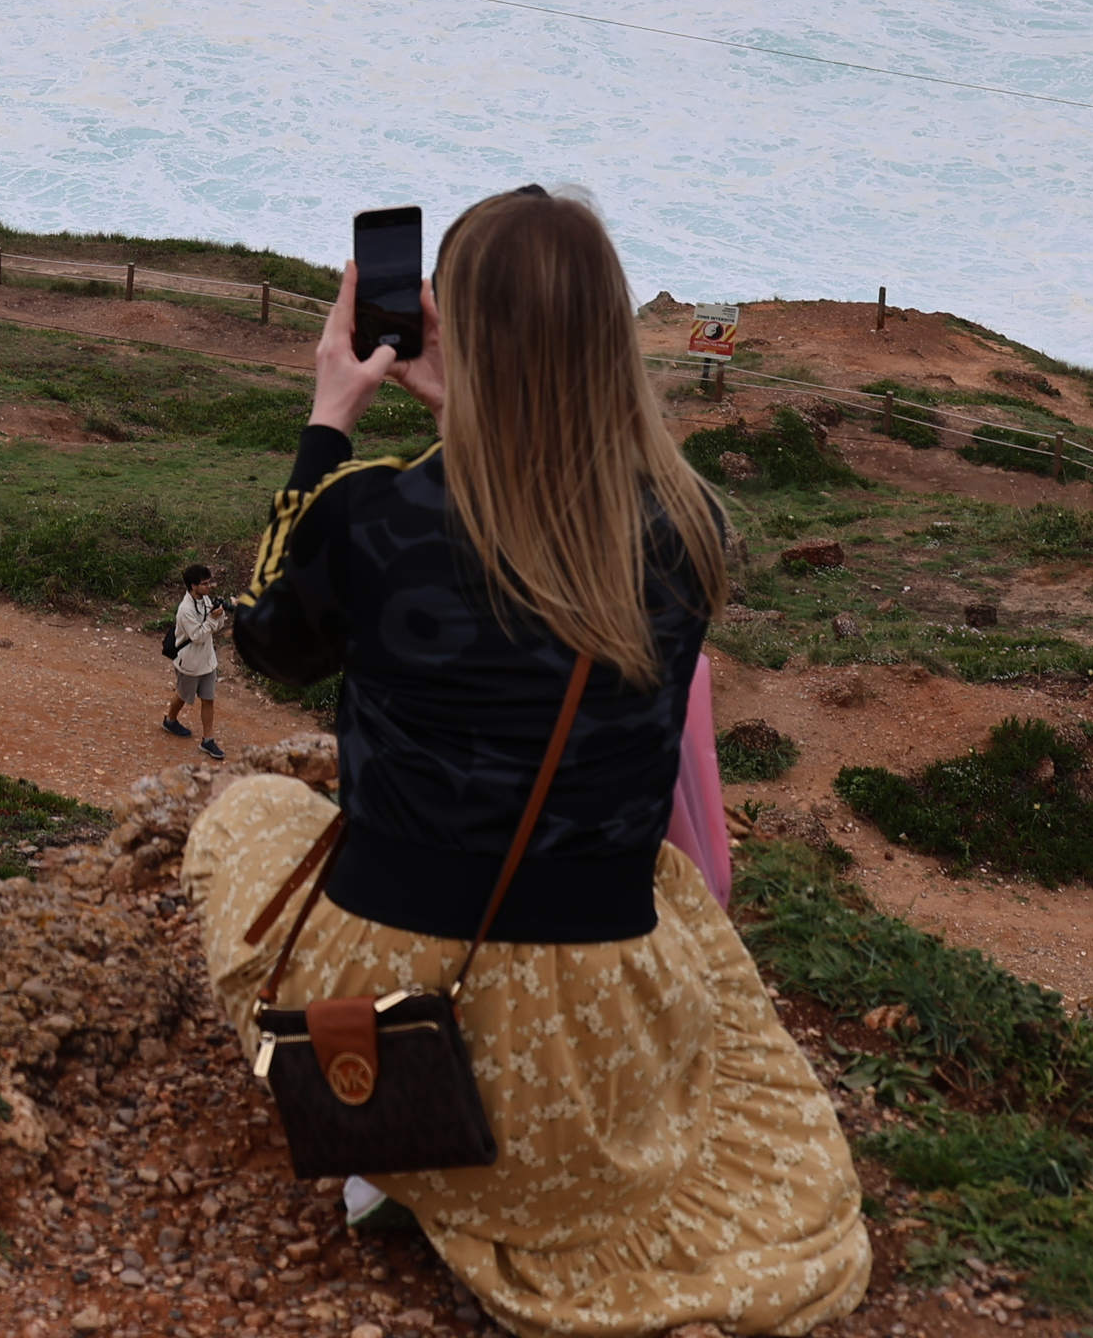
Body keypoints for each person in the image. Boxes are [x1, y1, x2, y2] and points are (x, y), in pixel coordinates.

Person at [181, 188, 869, 1337]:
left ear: (455, 329)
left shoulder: (373, 518)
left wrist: (328, 418)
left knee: (247, 814)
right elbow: (544, 562)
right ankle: (451, 1169)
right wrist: (484, 412)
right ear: (608, 337)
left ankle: (396, 1150)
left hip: (388, 998)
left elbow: (269, 640)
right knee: (671, 893)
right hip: (593, 1055)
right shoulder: (691, 532)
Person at [162, 563, 229, 760]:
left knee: (208, 699)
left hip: (207, 661)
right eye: (205, 583)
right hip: (189, 663)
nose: (209, 586)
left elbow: (218, 626)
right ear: (193, 586)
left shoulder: (205, 600)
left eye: (209, 582)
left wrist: (219, 614)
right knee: (183, 695)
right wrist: (212, 620)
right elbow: (198, 635)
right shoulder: (185, 610)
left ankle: (208, 740)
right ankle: (170, 720)